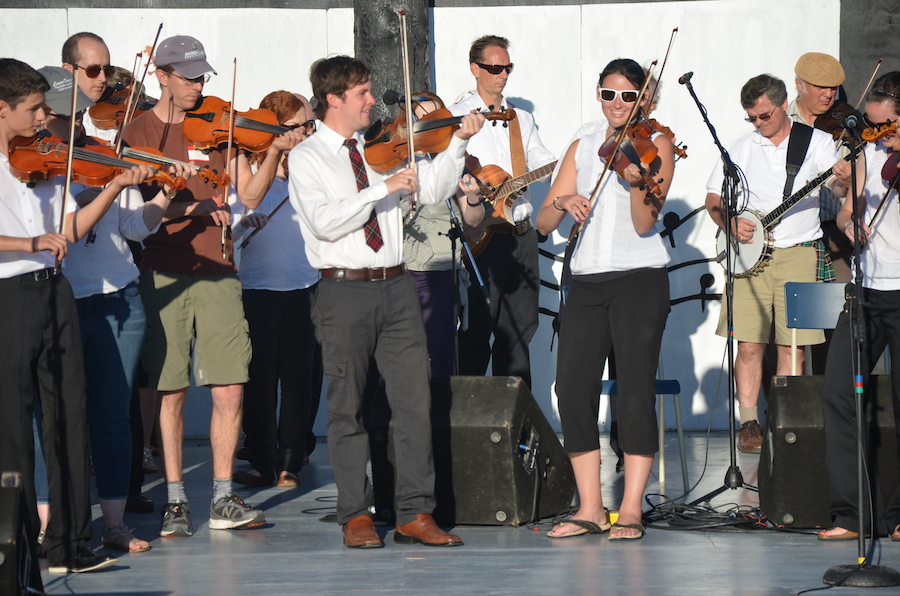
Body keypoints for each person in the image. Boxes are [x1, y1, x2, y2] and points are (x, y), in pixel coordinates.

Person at [289, 55, 484, 548]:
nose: (372, 101)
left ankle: (415, 512)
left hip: (397, 285)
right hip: (341, 288)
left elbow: (435, 188)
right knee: (347, 407)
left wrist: (458, 142)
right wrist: (382, 189)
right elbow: (324, 222)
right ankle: (355, 513)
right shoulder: (307, 156)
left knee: (414, 403)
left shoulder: (382, 149)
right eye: (362, 94)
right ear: (333, 98)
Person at [121, 34, 304, 538]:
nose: (199, 86)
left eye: (203, 76)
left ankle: (223, 497)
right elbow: (137, 215)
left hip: (221, 269)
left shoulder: (223, 128)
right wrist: (193, 206)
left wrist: (270, 151)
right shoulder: (139, 131)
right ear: (162, 75)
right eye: (189, 77)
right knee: (171, 389)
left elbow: (248, 192)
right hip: (166, 270)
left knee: (229, 386)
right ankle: (176, 501)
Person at [0, 58, 153, 573]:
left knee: (69, 416)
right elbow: (34, 238)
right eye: (35, 109)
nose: (45, 117)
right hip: (8, 298)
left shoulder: (43, 157)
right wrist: (28, 242)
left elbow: (69, 225)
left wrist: (112, 186)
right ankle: (18, 547)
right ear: (2, 109)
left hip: (54, 291)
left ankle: (69, 543)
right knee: (16, 426)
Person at [37, 65, 189, 553]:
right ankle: (56, 521)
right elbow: (67, 228)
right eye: (66, 117)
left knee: (111, 416)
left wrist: (165, 191)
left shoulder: (103, 156)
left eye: (80, 117)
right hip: (58, 297)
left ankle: (116, 524)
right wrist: (102, 184)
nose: (77, 125)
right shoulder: (32, 165)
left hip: (117, 294)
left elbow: (137, 229)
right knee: (57, 416)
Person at [536, 58, 674, 541]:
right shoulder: (583, 140)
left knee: (634, 393)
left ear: (644, 100)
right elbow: (543, 223)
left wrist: (639, 182)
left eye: (627, 96)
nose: (616, 104)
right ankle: (590, 507)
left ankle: (631, 508)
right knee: (572, 390)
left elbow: (643, 223)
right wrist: (562, 202)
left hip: (639, 279)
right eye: (608, 94)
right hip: (587, 281)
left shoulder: (657, 144)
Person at [704, 74, 847, 453]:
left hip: (801, 253)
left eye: (764, 115)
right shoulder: (740, 146)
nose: (758, 123)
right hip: (749, 262)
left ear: (784, 105)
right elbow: (713, 198)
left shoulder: (816, 142)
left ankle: (786, 421)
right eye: (751, 117)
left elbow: (835, 186)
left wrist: (844, 181)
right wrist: (728, 222)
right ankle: (748, 423)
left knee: (794, 347)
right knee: (748, 344)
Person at [818, 72, 900, 541]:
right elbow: (849, 211)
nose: (877, 135)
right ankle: (851, 513)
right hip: (867, 291)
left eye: (886, 127)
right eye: (872, 126)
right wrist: (851, 225)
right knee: (838, 394)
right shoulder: (866, 153)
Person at [449, 35, 555, 389]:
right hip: (483, 236)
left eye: (507, 67)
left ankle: (515, 422)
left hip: (522, 236)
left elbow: (539, 157)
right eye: (494, 67)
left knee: (520, 331)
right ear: (474, 69)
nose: (502, 74)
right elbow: (450, 171)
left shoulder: (521, 118)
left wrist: (556, 165)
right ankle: (469, 422)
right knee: (477, 329)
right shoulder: (456, 116)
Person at [230, 90, 318, 488]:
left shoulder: (313, 164)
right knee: (259, 376)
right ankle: (261, 459)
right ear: (277, 128)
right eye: (301, 126)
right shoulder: (247, 164)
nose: (308, 132)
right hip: (256, 285)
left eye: (310, 125)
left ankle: (290, 461)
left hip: (305, 283)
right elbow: (237, 211)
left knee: (299, 377)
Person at [401, 90, 485, 376]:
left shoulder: (457, 161)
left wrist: (473, 198)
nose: (426, 124)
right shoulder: (398, 160)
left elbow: (473, 220)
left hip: (438, 270)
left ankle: (438, 417)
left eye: (434, 117)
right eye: (419, 118)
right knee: (400, 357)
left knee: (439, 355)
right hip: (399, 269)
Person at [788, 52, 855, 375]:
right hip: (791, 234)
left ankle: (831, 401)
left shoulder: (847, 124)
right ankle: (783, 408)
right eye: (820, 87)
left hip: (835, 233)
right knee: (788, 325)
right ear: (799, 84)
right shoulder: (780, 123)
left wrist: (847, 180)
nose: (829, 95)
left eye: (834, 88)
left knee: (838, 319)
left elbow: (849, 188)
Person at [62, 31, 117, 142]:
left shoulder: (115, 123)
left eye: (107, 70)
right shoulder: (51, 115)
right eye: (93, 70)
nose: (103, 78)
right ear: (69, 70)